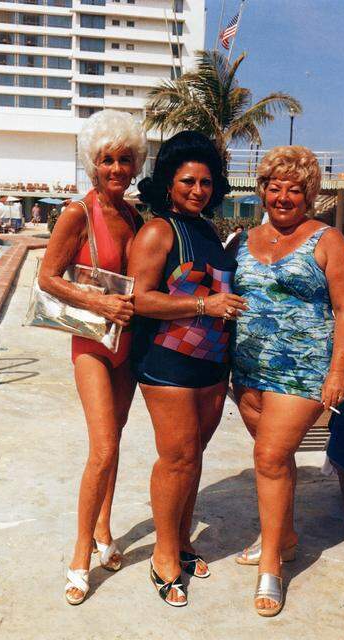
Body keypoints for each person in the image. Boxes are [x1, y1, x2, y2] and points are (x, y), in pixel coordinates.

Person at [229, 145, 344, 616]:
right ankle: (283, 537)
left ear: (310, 195)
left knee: (269, 455)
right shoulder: (244, 238)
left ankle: (271, 566)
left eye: (295, 190)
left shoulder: (327, 240)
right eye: (275, 187)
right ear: (262, 190)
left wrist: (337, 370)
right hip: (246, 367)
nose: (283, 197)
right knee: (275, 462)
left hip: (301, 368)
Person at [128, 131, 248, 607]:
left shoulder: (206, 229)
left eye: (204, 181)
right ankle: (162, 555)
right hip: (167, 364)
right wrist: (206, 303)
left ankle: (181, 538)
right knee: (176, 457)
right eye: (187, 181)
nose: (197, 190)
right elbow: (139, 298)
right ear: (169, 183)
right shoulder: (159, 230)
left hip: (212, 366)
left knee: (193, 457)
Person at [36, 109, 148, 606]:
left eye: (125, 160)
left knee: (116, 439)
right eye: (107, 160)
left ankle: (105, 528)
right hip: (90, 343)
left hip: (127, 345)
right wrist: (98, 301)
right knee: (102, 446)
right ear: (92, 163)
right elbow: (47, 276)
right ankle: (81, 554)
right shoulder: (77, 214)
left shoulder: (135, 215)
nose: (117, 169)